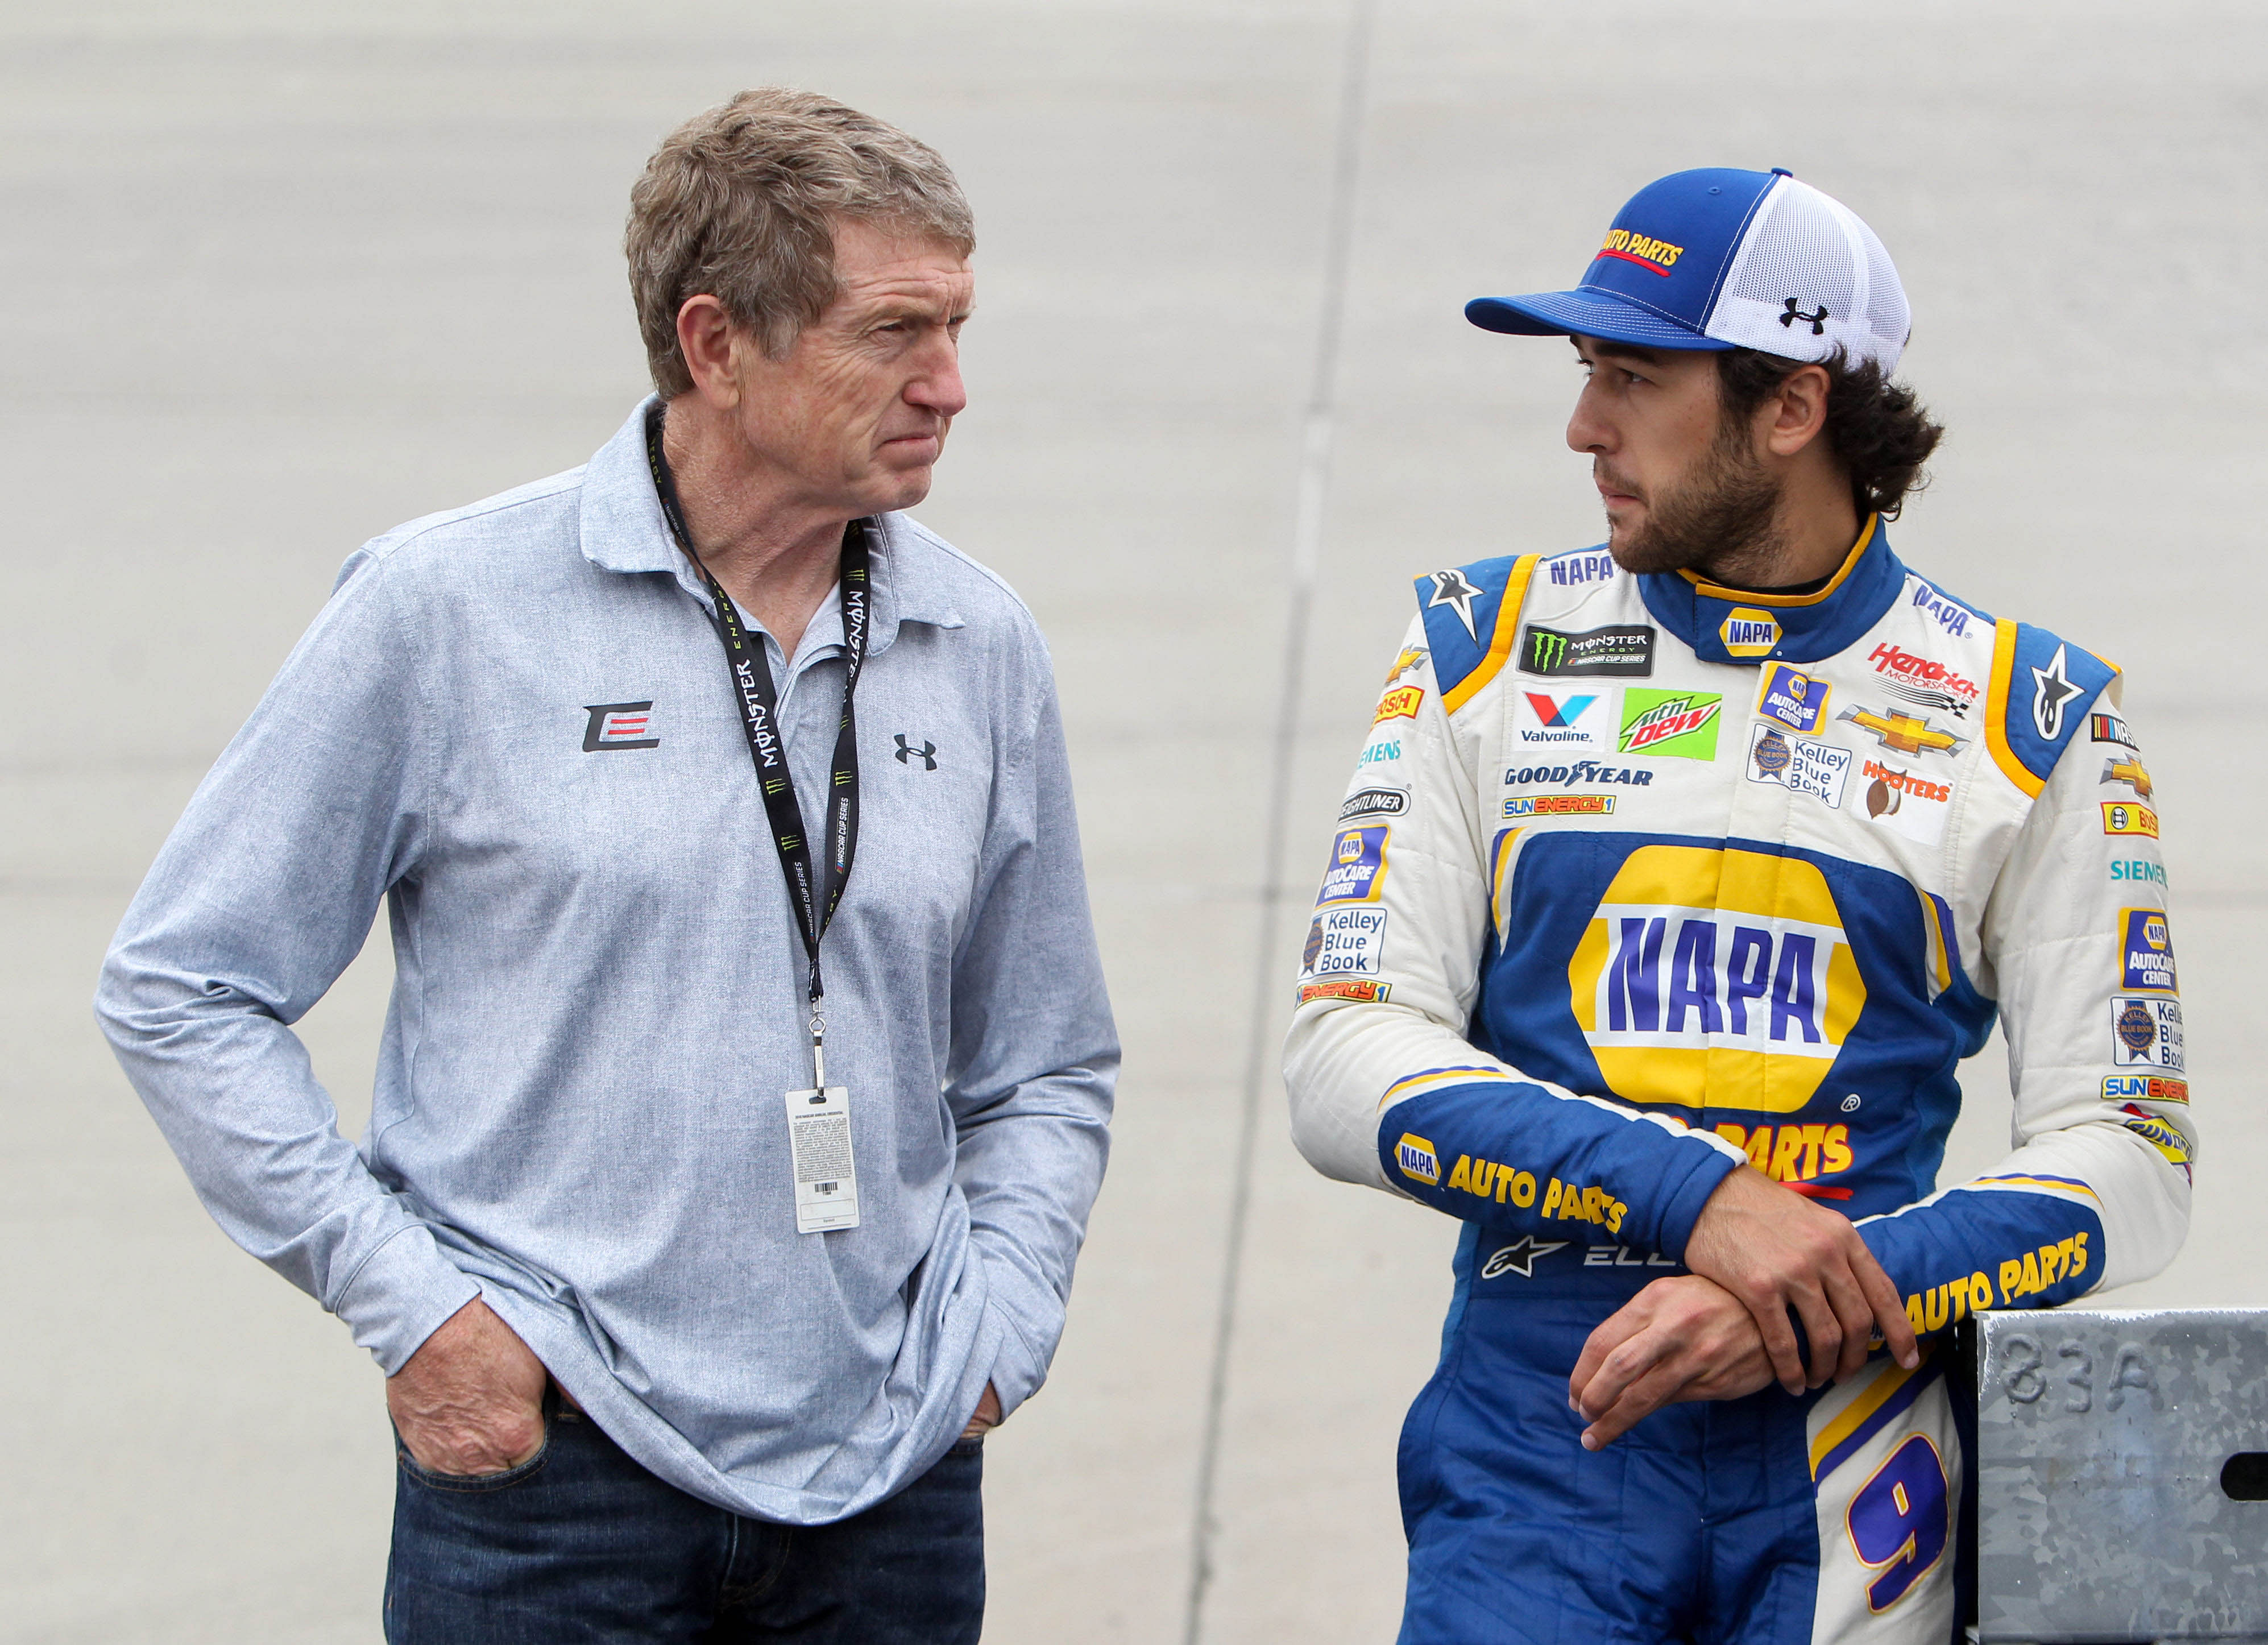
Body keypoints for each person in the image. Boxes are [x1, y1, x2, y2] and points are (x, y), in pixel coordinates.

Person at [97, 87, 1116, 1643]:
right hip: (554, 1483)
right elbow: (183, 988)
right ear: (718, 346)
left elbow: (1045, 1058)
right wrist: (421, 1315)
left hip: (889, 1491)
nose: (950, 386)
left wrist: (1004, 1333)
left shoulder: (978, 643)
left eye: (958, 327)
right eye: (894, 332)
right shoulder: (447, 612)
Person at [1284, 166, 2191, 1643]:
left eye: (1634, 379)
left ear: (1794, 405)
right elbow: (1339, 1063)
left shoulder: (2033, 712)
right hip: (1546, 1424)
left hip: (1856, 1423)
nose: (1584, 427)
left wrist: (1843, 1278)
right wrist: (1701, 1201)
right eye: (1589, 375)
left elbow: (2135, 1156)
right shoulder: (1482, 646)